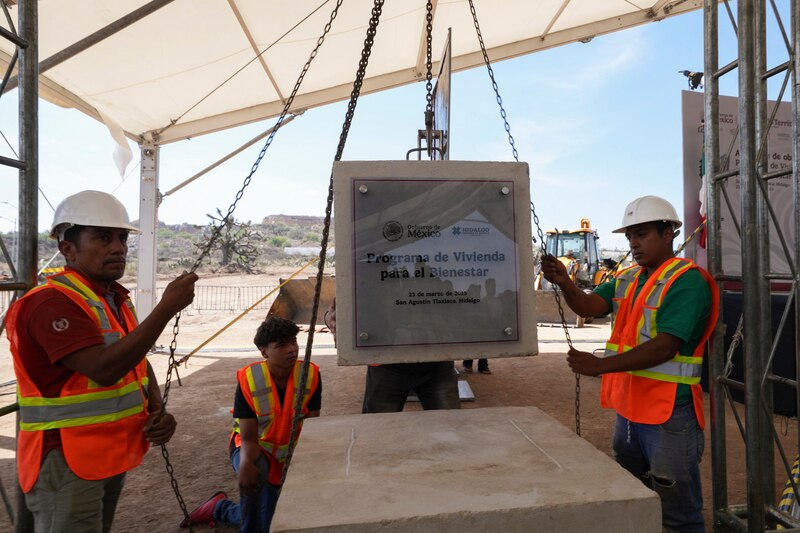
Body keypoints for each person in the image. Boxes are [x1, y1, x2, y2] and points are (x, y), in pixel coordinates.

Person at [6, 190, 198, 532]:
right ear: (68, 248)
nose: (119, 248)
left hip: (105, 455)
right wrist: (166, 308)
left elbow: (136, 362)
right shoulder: (51, 303)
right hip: (64, 459)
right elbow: (103, 368)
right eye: (104, 237)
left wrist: (156, 408)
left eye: (122, 238)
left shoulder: (113, 299)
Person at [541, 195, 719, 533]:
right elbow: (589, 305)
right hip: (629, 411)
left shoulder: (687, 281)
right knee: (634, 501)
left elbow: (665, 347)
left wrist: (599, 367)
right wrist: (565, 282)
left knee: (679, 517)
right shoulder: (628, 279)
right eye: (629, 237)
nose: (633, 244)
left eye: (642, 234)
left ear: (668, 233)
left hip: (670, 414)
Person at [181, 317, 321, 531]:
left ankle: (219, 507)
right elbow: (248, 437)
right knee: (257, 505)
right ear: (264, 352)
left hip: (287, 452)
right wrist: (246, 463)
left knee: (271, 519)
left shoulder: (311, 375)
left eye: (293, 342)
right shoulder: (250, 379)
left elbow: (313, 424)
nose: (292, 350)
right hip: (253, 448)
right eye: (281, 345)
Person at [324, 298, 459, 413]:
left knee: (450, 426)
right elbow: (340, 308)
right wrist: (331, 318)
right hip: (387, 366)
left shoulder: (436, 279)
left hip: (437, 364)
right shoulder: (369, 274)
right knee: (379, 430)